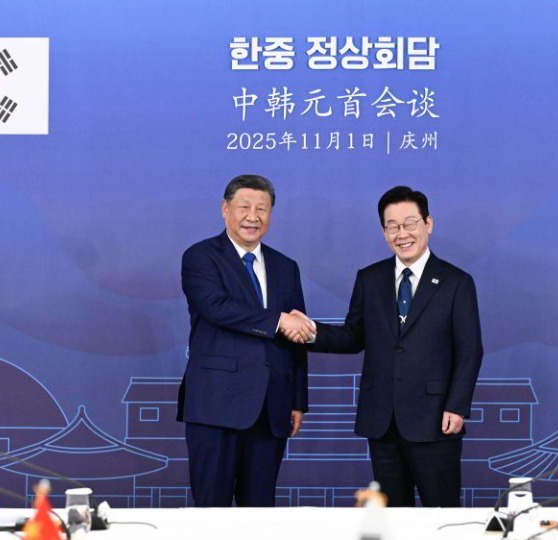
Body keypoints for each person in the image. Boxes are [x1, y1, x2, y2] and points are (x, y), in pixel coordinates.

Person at [288, 185, 483, 507]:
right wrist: (310, 333)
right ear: (384, 232)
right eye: (392, 226)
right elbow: (354, 336)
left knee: (441, 512)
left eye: (410, 224)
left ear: (428, 224)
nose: (401, 234)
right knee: (391, 516)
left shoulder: (456, 282)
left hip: (435, 419)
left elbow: (470, 351)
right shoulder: (370, 279)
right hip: (382, 421)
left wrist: (457, 406)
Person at [178, 174, 314, 507]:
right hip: (215, 405)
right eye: (244, 207)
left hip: (271, 408)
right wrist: (278, 320)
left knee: (260, 511)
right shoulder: (201, 257)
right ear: (225, 209)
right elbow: (217, 308)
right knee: (212, 510)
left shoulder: (286, 267)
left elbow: (295, 337)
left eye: (262, 209)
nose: (253, 216)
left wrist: (298, 399)